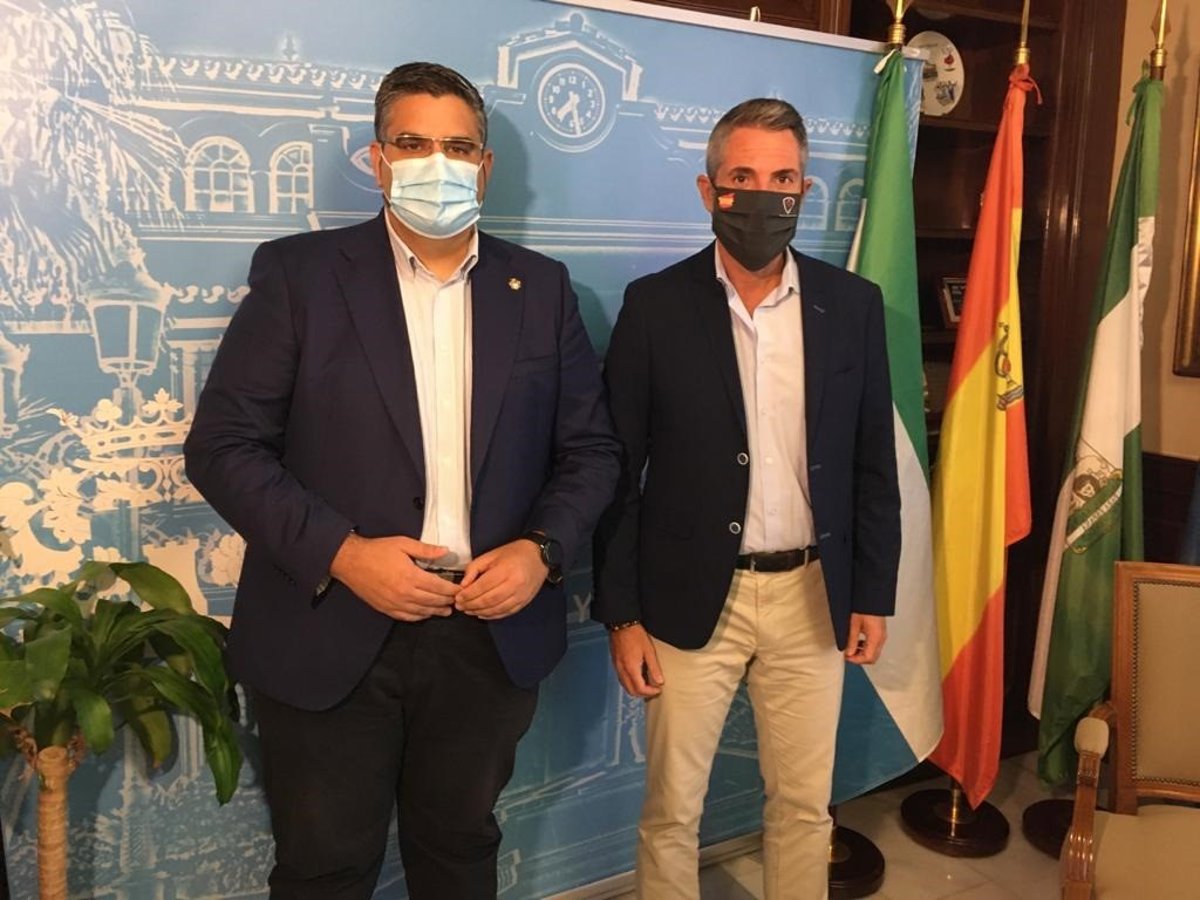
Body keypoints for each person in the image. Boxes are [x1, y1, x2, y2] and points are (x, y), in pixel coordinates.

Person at [184, 61, 620, 899]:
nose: (437, 163)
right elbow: (224, 447)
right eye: (413, 144)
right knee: (324, 869)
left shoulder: (541, 288)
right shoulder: (301, 277)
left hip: (485, 633)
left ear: (485, 166)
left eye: (458, 147)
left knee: (459, 852)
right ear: (379, 160)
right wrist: (344, 554)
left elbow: (591, 451)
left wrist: (541, 551)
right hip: (331, 627)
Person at [592, 98, 901, 900]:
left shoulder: (853, 305)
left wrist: (873, 592)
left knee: (802, 808)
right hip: (690, 595)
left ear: (804, 190)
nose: (765, 195)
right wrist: (622, 616)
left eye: (783, 178)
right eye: (743, 177)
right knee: (672, 811)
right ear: (708, 190)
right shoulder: (655, 307)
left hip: (813, 595)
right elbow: (617, 471)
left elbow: (872, 462)